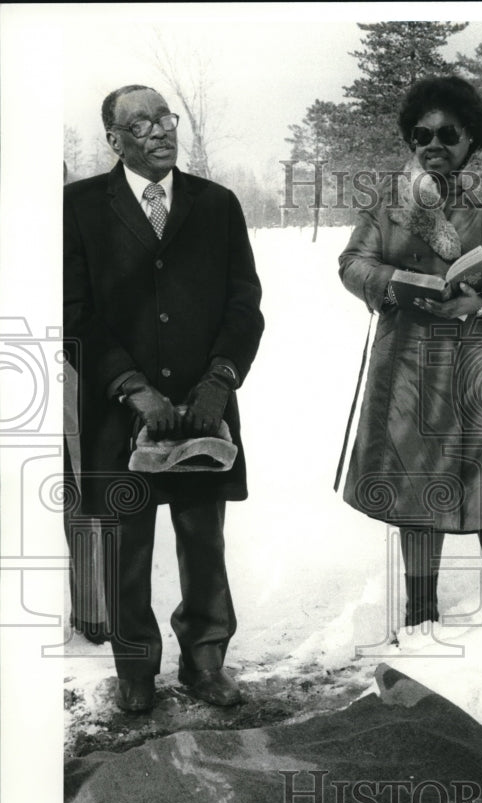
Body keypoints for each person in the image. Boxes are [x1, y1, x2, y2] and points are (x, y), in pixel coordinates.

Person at [64, 84, 264, 711]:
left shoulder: (217, 204)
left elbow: (244, 305)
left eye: (164, 117)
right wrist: (131, 387)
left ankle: (205, 663)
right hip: (118, 416)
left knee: (203, 540)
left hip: (205, 414)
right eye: (140, 122)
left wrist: (219, 380)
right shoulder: (77, 208)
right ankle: (135, 672)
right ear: (113, 138)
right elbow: (74, 312)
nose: (158, 131)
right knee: (126, 543)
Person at [338, 76, 482, 628]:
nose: (431, 143)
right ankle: (420, 616)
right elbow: (352, 263)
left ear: (472, 136)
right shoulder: (391, 197)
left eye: (446, 132)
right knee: (416, 480)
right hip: (412, 359)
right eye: (420, 134)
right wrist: (394, 282)